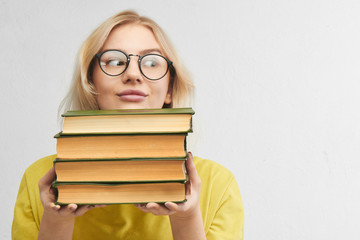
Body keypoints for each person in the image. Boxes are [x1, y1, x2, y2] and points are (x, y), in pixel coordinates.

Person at [12, 10, 244, 240]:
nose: (133, 74)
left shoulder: (218, 185)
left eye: (152, 62)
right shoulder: (38, 181)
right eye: (114, 61)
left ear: (170, 89)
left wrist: (186, 218)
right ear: (90, 83)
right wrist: (57, 222)